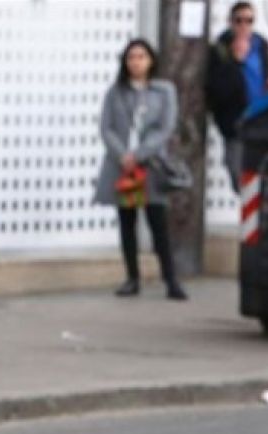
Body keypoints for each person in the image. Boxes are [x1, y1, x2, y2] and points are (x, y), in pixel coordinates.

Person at [94, 39, 188, 301]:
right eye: (131, 57)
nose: (136, 62)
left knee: (158, 222)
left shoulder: (164, 91)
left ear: (150, 60)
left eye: (141, 56)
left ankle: (171, 279)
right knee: (127, 222)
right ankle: (131, 277)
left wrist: (140, 153)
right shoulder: (116, 92)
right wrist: (122, 155)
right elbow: (106, 127)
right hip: (122, 167)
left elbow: (165, 127)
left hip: (150, 166)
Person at [205, 1, 268, 193]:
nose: (243, 26)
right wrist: (236, 62)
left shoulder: (264, 48)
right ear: (230, 22)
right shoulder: (220, 50)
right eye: (238, 21)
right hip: (236, 124)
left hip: (262, 124)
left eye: (249, 21)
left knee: (263, 178)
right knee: (238, 176)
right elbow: (217, 91)